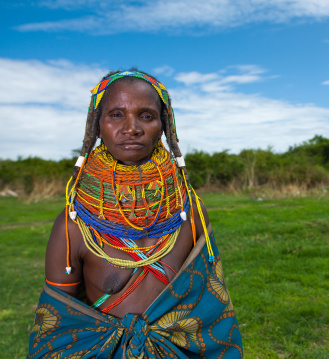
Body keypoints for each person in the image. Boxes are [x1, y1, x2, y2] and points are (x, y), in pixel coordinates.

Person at [28, 70, 243, 358]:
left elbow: (211, 310)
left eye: (146, 116)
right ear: (97, 126)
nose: (132, 128)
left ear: (163, 126)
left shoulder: (191, 213)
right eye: (116, 115)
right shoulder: (73, 225)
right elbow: (58, 327)